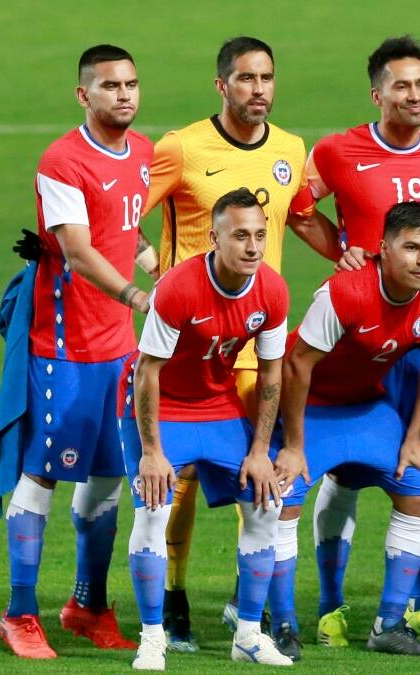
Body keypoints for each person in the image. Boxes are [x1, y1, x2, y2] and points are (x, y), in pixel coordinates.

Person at [141, 36, 320, 654]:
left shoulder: (291, 150)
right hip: (189, 344)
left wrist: (351, 252)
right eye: (246, 79)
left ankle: (265, 615)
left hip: (257, 340)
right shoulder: (182, 148)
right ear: (222, 85)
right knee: (180, 478)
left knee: (266, 476)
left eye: (267, 77)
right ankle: (173, 596)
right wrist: (143, 266)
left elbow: (297, 214)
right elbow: (126, 207)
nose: (259, 90)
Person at [285, 36, 420, 643]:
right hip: (358, 333)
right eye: (402, 86)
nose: (415, 96)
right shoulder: (338, 150)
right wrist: (341, 251)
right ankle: (330, 605)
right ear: (377, 94)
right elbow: (297, 207)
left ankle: (419, 604)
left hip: (417, 331)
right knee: (344, 476)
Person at [0, 44, 150, 660]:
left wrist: (155, 264)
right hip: (64, 348)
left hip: (120, 350)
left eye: (132, 84)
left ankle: (87, 604)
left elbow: (126, 227)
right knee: (42, 475)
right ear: (84, 95)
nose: (125, 95)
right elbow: (80, 250)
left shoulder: (141, 152)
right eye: (111, 86)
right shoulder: (62, 160)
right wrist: (138, 292)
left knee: (111, 476)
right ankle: (19, 612)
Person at [119, 188, 292, 669]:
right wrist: (152, 453)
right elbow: (146, 371)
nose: (253, 247)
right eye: (240, 236)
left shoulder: (272, 290)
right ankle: (152, 637)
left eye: (259, 235)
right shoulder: (177, 288)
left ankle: (249, 636)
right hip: (159, 407)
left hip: (216, 405)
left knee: (266, 502)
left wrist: (260, 449)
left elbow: (272, 373)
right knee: (154, 506)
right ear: (213, 238)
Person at [278, 202, 420, 656]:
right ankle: (280, 623)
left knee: (419, 490)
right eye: (411, 247)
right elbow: (297, 364)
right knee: (283, 497)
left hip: (365, 406)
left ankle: (389, 625)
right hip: (310, 406)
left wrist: (414, 436)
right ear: (382, 249)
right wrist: (294, 445)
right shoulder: (345, 293)